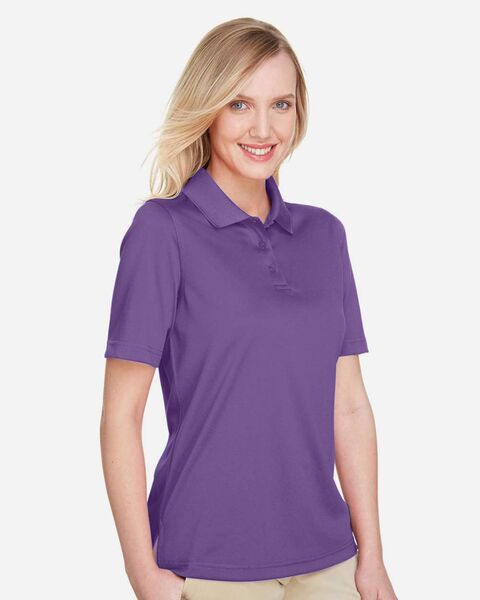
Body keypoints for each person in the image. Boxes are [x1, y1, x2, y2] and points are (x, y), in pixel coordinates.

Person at [100, 17, 398, 600]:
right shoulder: (163, 230)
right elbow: (121, 416)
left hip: (329, 557)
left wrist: (373, 560)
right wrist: (143, 574)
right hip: (209, 561)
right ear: (207, 109)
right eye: (239, 104)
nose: (263, 128)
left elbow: (350, 406)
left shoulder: (324, 235)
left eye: (280, 104)